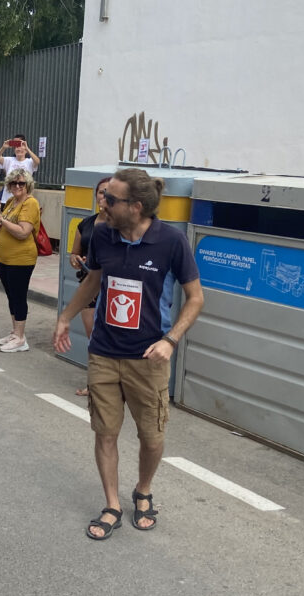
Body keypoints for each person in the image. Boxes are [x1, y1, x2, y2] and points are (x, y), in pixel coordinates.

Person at [52, 168, 205, 540]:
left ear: (135, 207)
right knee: (105, 432)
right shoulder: (102, 235)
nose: (101, 202)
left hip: (148, 357)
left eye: (110, 198)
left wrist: (171, 339)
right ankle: (112, 504)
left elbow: (195, 298)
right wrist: (66, 317)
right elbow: (94, 278)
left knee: (151, 436)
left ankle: (143, 491)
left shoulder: (171, 242)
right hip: (103, 352)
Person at [69, 177, 113, 396]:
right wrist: (76, 259)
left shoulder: (120, 226)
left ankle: (113, 383)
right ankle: (95, 383)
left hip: (112, 289)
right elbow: (73, 253)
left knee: (111, 337)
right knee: (94, 337)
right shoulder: (85, 224)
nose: (103, 196)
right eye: (100, 192)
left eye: (108, 192)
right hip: (88, 286)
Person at [0, 168, 41, 352]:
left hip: (21, 258)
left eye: (21, 183)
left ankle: (20, 338)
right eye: (14, 183)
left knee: (19, 296)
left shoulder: (30, 203)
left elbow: (23, 232)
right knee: (11, 295)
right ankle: (15, 331)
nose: (17, 186)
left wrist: (2, 221)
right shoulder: (12, 201)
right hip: (5, 257)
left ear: (28, 185)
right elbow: (8, 226)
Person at [0, 135, 40, 205]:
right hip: (7, 198)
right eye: (17, 149)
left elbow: (37, 161)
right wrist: (3, 148)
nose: (19, 150)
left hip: (23, 198)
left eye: (22, 149)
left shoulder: (29, 161)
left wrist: (27, 148)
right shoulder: (9, 160)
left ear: (26, 151)